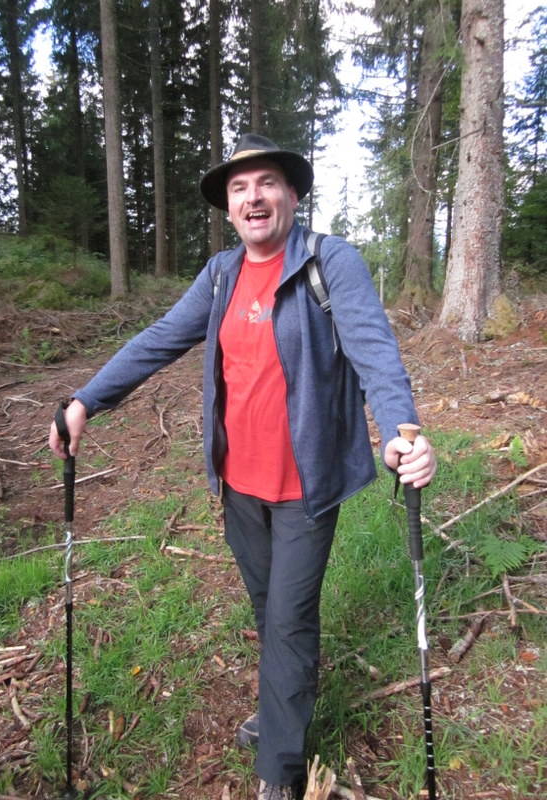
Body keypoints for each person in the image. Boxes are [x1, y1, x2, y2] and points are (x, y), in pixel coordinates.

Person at [49, 133, 436, 800]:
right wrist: (86, 400)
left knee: (288, 617)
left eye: (266, 183)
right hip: (238, 485)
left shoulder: (328, 261)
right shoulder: (221, 275)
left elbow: (373, 349)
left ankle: (278, 772)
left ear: (291, 195)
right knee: (271, 609)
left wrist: (401, 430)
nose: (253, 197)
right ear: (229, 207)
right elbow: (160, 339)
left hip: (304, 486)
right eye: (239, 188)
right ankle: (284, 700)